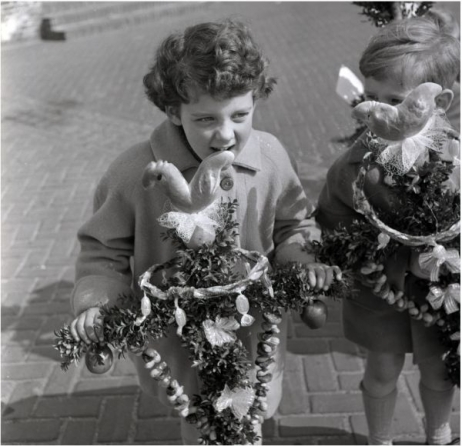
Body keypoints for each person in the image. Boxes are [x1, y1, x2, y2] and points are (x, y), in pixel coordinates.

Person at [68, 19, 338, 445]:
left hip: (253, 332)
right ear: (174, 111)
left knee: (253, 410)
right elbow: (103, 250)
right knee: (198, 419)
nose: (225, 134)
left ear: (256, 101)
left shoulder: (270, 156)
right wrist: (97, 301)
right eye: (206, 118)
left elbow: (294, 223)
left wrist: (303, 260)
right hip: (182, 340)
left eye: (240, 115)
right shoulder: (135, 173)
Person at [316, 13, 460, 446]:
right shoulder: (358, 161)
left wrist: (447, 257)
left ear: (440, 102)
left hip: (442, 292)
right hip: (379, 289)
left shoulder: (454, 160)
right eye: (371, 97)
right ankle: (380, 438)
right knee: (381, 368)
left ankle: (439, 433)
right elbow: (332, 215)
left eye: (395, 100)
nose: (379, 113)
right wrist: (363, 255)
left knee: (439, 371)